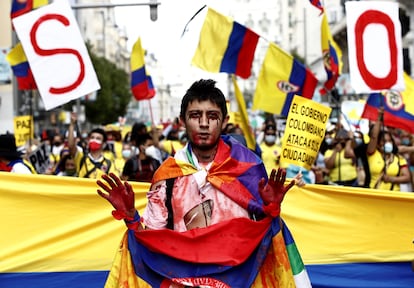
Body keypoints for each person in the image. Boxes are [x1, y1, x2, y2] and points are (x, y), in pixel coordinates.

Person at [96, 79, 310, 287]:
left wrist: (271, 210)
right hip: (183, 278)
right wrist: (131, 217)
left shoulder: (249, 167)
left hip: (240, 277)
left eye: (212, 116)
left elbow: (266, 232)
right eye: (195, 115)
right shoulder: (167, 175)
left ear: (224, 121)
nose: (204, 123)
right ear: (182, 121)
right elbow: (152, 238)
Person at [367, 110, 411, 191]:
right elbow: (374, 137)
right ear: (378, 144)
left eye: (390, 141)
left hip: (393, 196)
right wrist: (379, 118)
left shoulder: (398, 159)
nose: (388, 143)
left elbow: (407, 177)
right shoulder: (373, 154)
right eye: (384, 141)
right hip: (374, 195)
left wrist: (392, 179)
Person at [68, 112, 117, 179]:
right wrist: (72, 124)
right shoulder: (81, 158)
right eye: (92, 137)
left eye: (98, 138)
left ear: (104, 144)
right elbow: (71, 146)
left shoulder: (109, 164)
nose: (94, 140)